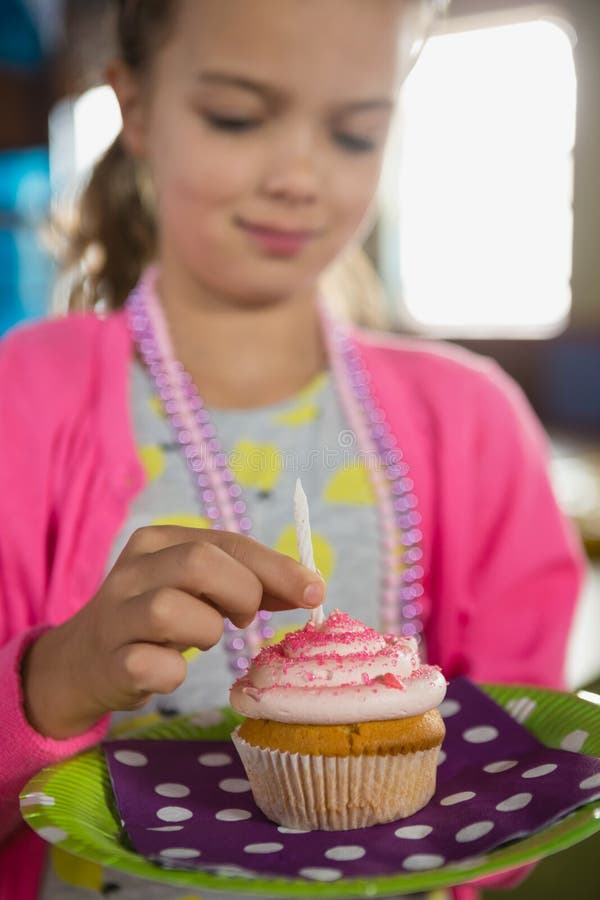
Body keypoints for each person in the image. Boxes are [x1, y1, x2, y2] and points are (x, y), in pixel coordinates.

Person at [0, 1, 585, 898]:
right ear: (138, 107)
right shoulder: (22, 398)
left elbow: (514, 787)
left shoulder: (473, 422)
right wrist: (55, 680)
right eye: (237, 117)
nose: (301, 177)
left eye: (354, 134)